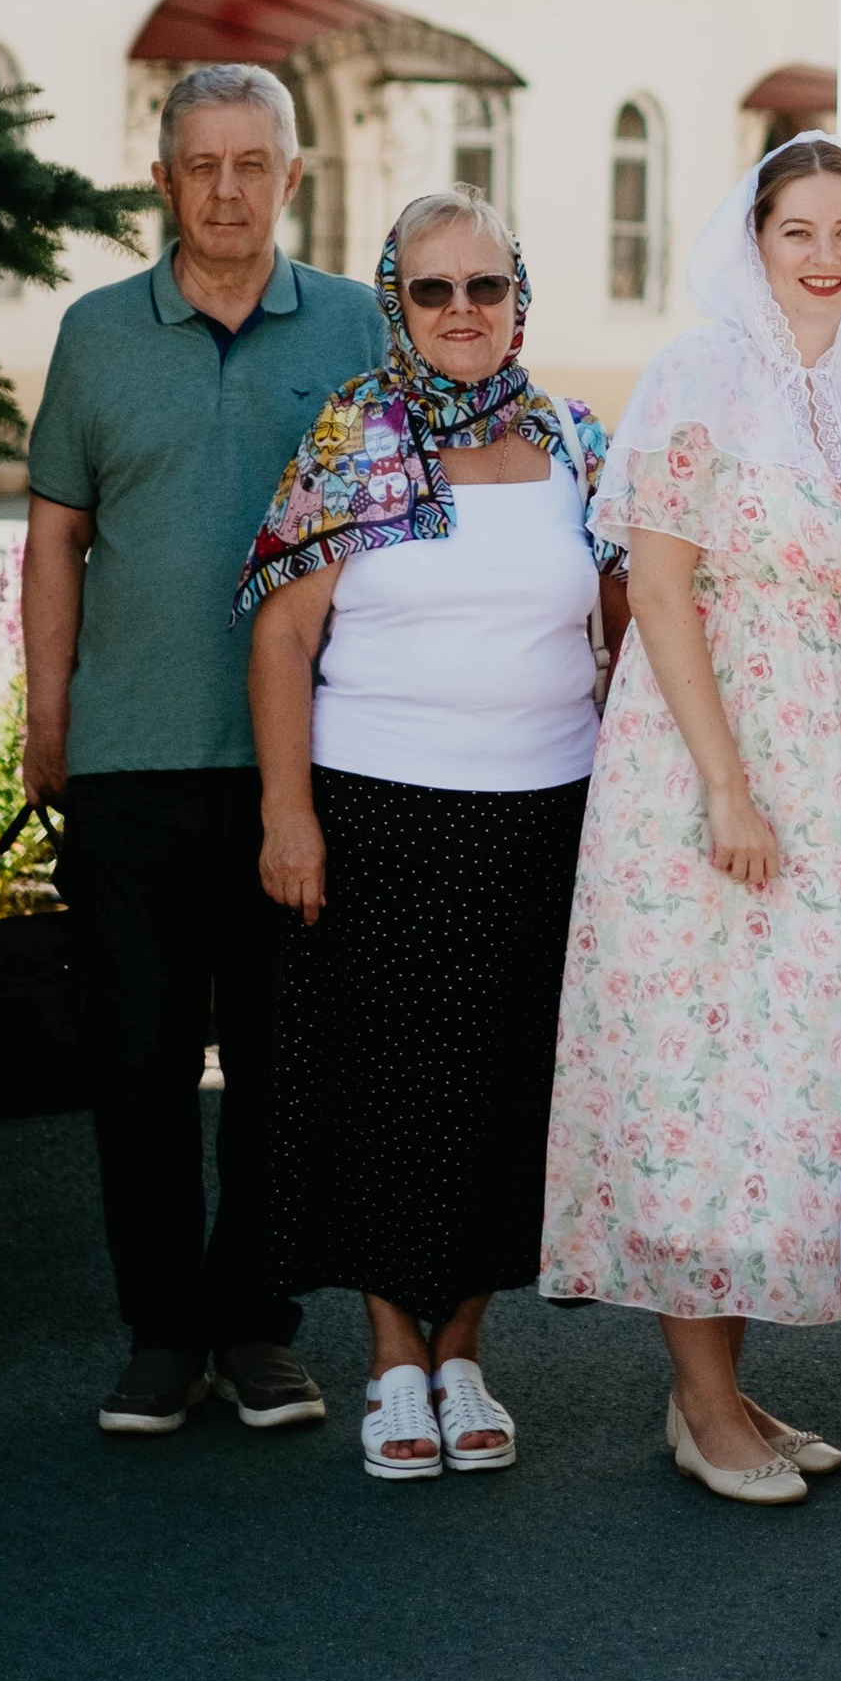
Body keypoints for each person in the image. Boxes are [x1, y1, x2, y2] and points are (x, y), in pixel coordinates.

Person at [537, 141, 841, 1507]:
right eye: (798, 228)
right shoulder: (700, 374)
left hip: (839, 748)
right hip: (712, 747)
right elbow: (662, 582)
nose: (825, 253)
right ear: (751, 239)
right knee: (699, 1058)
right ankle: (696, 1400)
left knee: (787, 1075)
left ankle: (731, 1384)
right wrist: (725, 783)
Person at [22, 61, 386, 1441]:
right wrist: (52, 718)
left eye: (253, 163)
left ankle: (259, 1327)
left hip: (312, 764)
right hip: (131, 761)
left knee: (289, 1069)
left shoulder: (359, 325)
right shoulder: (99, 335)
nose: (227, 189)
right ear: (163, 181)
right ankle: (163, 1334)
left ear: (293, 176)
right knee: (140, 1066)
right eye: (201, 165)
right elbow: (58, 531)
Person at [236, 196, 623, 1479]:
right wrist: (288, 814)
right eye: (432, 291)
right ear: (394, 301)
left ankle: (466, 1350)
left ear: (523, 297)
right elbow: (284, 635)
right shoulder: (356, 437)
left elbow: (628, 627)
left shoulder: (575, 442)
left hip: (544, 809)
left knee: (509, 1089)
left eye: (488, 288)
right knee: (384, 1086)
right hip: (379, 807)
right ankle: (394, 1359)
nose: (464, 311)